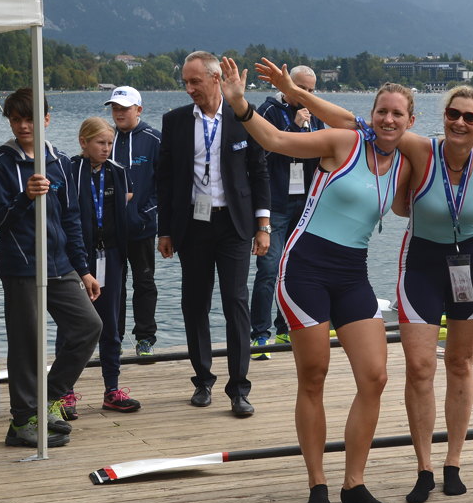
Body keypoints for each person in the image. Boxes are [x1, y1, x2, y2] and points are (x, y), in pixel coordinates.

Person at [252, 60, 473, 503]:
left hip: (471, 264)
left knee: (460, 363)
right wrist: (297, 93)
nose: (460, 122)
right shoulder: (421, 149)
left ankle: (453, 463)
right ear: (441, 118)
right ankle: (424, 467)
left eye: (469, 117)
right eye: (453, 114)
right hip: (422, 264)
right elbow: (358, 123)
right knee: (421, 367)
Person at [221, 58, 414, 503]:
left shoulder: (406, 161)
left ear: (409, 121)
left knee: (375, 376)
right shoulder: (343, 142)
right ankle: (317, 483)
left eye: (398, 114)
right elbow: (277, 140)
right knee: (314, 376)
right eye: (382, 111)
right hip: (304, 268)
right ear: (372, 114)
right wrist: (240, 104)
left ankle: (354, 483)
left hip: (352, 274)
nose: (389, 119)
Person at [156, 51, 270, 418]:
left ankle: (239, 389)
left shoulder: (243, 117)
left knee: (236, 302)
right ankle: (203, 379)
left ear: (215, 79)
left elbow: (260, 172)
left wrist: (263, 226)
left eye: (195, 82)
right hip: (192, 224)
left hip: (234, 224)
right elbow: (166, 180)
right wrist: (165, 230)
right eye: (185, 83)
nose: (189, 89)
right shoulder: (174, 121)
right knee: (195, 303)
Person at [0, 88, 102, 446]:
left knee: (88, 327)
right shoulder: (0, 162)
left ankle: (49, 398)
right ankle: (22, 421)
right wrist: (25, 197)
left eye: (31, 118)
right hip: (21, 267)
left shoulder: (59, 161)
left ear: (47, 119)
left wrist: (83, 269)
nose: (23, 125)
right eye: (16, 119)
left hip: (60, 265)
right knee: (26, 344)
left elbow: (71, 220)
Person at [250, 65, 324, 360]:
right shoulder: (267, 112)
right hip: (275, 204)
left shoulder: (314, 114)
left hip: (304, 204)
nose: (306, 95)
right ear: (287, 84)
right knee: (269, 270)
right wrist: (294, 128)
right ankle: (259, 335)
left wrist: (307, 128)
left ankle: (285, 327)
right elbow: (262, 155)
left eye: (311, 90)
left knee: (294, 270)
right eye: (301, 88)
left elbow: (322, 152)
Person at [71, 117, 142, 412]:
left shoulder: (117, 172)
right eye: (100, 143)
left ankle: (112, 389)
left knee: (110, 324)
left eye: (110, 143)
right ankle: (64, 391)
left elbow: (125, 216)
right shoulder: (70, 169)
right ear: (83, 142)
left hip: (110, 255)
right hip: (78, 256)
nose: (106, 149)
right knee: (73, 325)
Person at [105, 86, 161, 362]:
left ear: (138, 110)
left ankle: (145, 339)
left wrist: (144, 214)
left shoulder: (153, 139)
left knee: (144, 281)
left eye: (124, 108)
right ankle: (113, 337)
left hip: (142, 227)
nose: (119, 113)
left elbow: (163, 184)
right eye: (115, 108)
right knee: (113, 284)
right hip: (110, 230)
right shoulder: (105, 138)